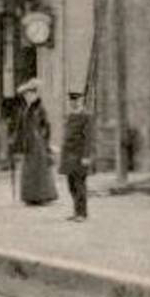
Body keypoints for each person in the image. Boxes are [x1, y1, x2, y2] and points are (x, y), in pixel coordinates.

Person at [10, 79, 57, 206]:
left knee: (39, 169)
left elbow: (46, 126)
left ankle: (43, 196)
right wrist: (16, 139)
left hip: (38, 144)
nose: (27, 97)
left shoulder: (40, 108)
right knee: (28, 170)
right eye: (25, 95)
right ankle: (30, 196)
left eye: (29, 94)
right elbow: (20, 127)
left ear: (35, 94)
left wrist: (43, 139)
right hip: (28, 142)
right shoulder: (25, 110)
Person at [59, 92, 92, 222]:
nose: (74, 103)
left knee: (80, 184)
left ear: (82, 101)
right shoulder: (70, 116)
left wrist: (86, 155)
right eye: (72, 101)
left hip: (79, 155)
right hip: (68, 156)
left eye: (77, 101)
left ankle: (82, 213)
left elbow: (89, 138)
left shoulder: (86, 117)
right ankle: (76, 211)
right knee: (71, 185)